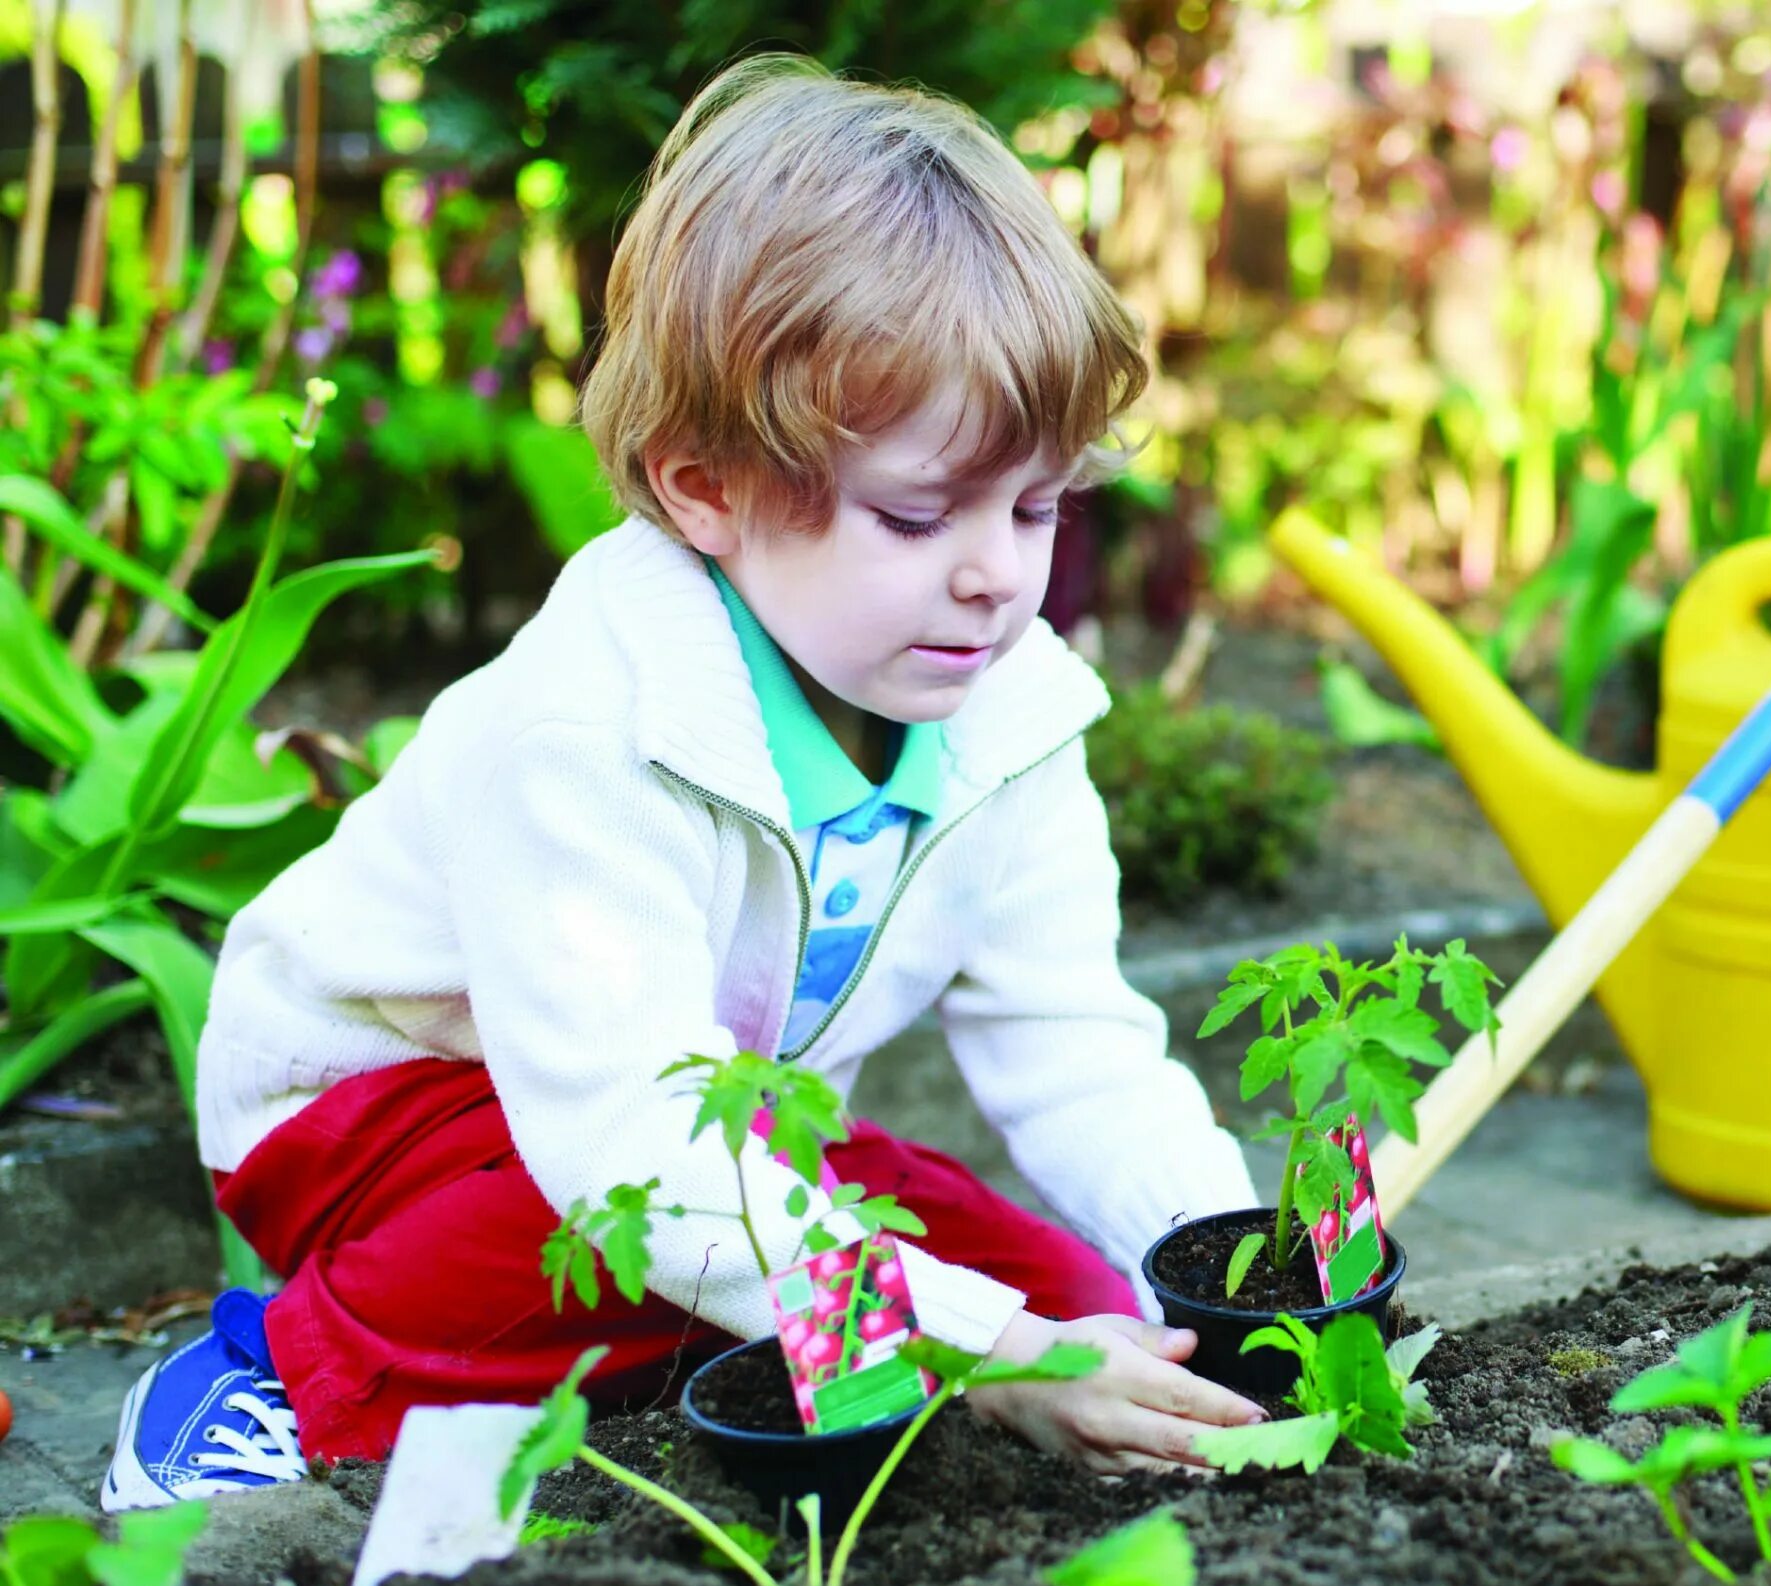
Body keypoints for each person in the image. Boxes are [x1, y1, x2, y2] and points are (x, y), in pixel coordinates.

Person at [101, 54, 1266, 1513]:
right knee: (652, 1253)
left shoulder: (1007, 710)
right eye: (917, 513)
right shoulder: (595, 721)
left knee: (1068, 1291)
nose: (995, 576)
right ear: (705, 488)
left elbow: (1073, 1039)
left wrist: (1225, 1259)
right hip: (389, 1118)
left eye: (1035, 506)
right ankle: (281, 1364)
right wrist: (995, 1356)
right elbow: (621, 1155)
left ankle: (689, 1349)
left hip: (702, 1116)